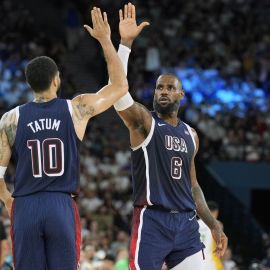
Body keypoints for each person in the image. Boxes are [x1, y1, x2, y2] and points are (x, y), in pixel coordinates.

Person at [0, 7, 128, 270]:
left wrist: (8, 199)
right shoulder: (76, 108)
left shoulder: (10, 119)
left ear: (30, 84)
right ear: (57, 80)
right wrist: (106, 40)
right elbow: (120, 87)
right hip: (60, 204)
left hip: (25, 205)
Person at [112, 3, 228, 269]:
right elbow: (118, 94)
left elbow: (194, 186)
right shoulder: (144, 122)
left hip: (186, 225)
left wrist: (213, 225)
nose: (163, 91)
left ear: (180, 94)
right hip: (153, 221)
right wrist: (125, 45)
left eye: (169, 88)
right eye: (159, 87)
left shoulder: (191, 134)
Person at [198, 201, 224, 270]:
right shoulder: (217, 225)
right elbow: (219, 247)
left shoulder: (195, 224)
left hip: (196, 262)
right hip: (210, 263)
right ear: (216, 212)